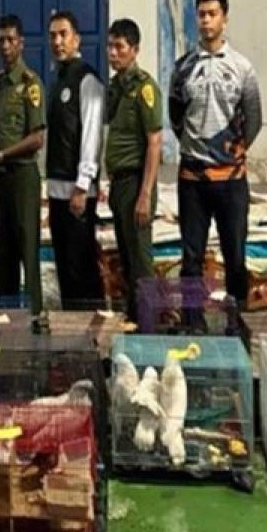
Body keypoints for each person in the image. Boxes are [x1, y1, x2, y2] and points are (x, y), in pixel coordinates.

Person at [168, 0, 263, 309]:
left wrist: (232, 150)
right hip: (192, 179)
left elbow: (254, 118)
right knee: (191, 257)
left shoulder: (242, 68)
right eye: (201, 14)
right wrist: (195, 147)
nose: (206, 20)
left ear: (225, 19)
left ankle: (237, 320)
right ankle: (192, 321)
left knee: (235, 256)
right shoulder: (183, 68)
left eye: (212, 14)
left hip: (230, 180)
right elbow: (175, 116)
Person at [0, 14, 45, 313]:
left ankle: (34, 317)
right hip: (2, 176)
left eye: (10, 40)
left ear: (21, 43)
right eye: (1, 41)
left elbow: (37, 138)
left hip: (23, 176)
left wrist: (2, 155)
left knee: (27, 250)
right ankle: (7, 315)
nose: (5, 46)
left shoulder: (30, 84)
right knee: (3, 250)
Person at [103, 18, 163, 321]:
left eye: (119, 47)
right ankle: (134, 319)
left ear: (135, 49)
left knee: (141, 261)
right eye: (110, 46)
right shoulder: (116, 87)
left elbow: (154, 142)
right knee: (127, 259)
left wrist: (145, 194)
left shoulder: (144, 88)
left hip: (137, 181)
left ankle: (148, 325)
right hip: (119, 184)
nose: (112, 53)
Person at [45, 11, 105, 309]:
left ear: (77, 39)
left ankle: (91, 324)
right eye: (53, 36)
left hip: (77, 191)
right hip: (57, 190)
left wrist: (83, 185)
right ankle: (70, 323)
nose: (58, 42)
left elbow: (91, 135)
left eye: (63, 35)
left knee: (81, 264)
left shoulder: (87, 79)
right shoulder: (57, 80)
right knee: (65, 266)